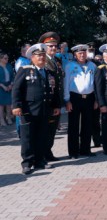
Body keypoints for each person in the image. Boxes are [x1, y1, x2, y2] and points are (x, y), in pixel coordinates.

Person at [12, 44, 60, 174]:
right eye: (39, 56)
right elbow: (17, 89)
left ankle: (40, 161)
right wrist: (16, 106)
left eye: (43, 55)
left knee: (41, 136)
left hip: (44, 110)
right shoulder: (25, 70)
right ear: (32, 57)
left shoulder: (49, 73)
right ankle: (27, 163)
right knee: (27, 138)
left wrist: (56, 105)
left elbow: (54, 90)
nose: (42, 58)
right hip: (28, 110)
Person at [64, 44, 97, 158]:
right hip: (75, 98)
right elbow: (66, 84)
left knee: (87, 125)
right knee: (73, 126)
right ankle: (73, 152)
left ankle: (85, 149)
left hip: (89, 98)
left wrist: (96, 99)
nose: (82, 55)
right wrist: (67, 100)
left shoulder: (92, 65)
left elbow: (95, 84)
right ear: (75, 54)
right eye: (79, 53)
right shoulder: (70, 66)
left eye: (84, 53)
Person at [38, 32, 63, 161]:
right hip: (46, 101)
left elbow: (59, 82)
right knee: (45, 130)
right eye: (50, 46)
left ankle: (48, 152)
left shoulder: (57, 60)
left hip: (55, 100)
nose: (54, 48)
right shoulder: (42, 60)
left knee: (52, 129)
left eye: (55, 46)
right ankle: (42, 156)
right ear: (44, 46)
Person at [0, 52, 15, 126]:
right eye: (5, 58)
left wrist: (11, 84)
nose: (7, 59)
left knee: (9, 104)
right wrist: (3, 86)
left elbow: (13, 76)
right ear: (0, 59)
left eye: (7, 58)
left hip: (9, 86)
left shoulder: (9, 66)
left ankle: (9, 118)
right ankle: (2, 120)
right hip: (1, 87)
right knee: (1, 105)